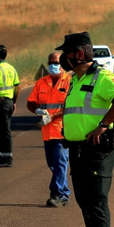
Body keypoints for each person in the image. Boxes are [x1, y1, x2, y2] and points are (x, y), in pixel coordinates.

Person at [57, 32, 114, 227]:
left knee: (97, 200)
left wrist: (102, 125)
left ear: (79, 54)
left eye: (66, 53)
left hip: (97, 150)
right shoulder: (75, 80)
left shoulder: (102, 76)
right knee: (85, 201)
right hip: (78, 150)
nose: (62, 58)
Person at [26, 51, 71, 207]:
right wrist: (37, 111)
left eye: (57, 62)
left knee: (60, 162)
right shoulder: (41, 82)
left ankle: (59, 194)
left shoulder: (70, 82)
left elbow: (69, 106)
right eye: (51, 62)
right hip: (46, 131)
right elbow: (30, 102)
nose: (54, 65)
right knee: (52, 164)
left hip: (63, 129)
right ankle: (61, 192)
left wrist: (53, 116)